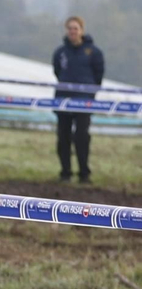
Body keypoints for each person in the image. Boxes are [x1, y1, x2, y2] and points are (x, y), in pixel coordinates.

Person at [53, 15, 104, 183]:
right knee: (63, 137)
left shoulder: (94, 52)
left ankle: (84, 174)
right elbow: (58, 72)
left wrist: (89, 95)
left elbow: (98, 75)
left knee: (82, 137)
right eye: (70, 28)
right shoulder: (60, 52)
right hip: (63, 101)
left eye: (75, 28)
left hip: (84, 102)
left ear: (81, 30)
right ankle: (65, 173)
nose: (72, 31)